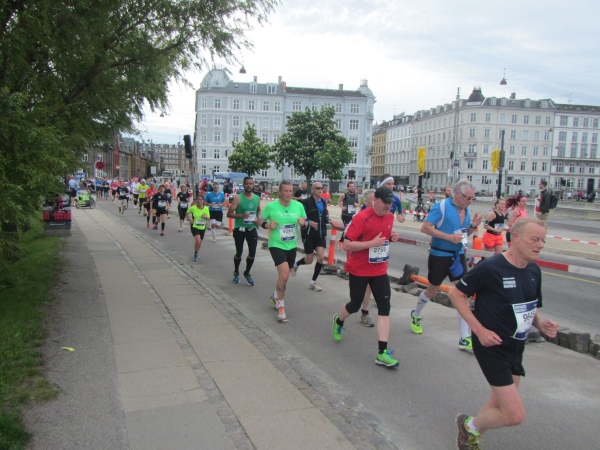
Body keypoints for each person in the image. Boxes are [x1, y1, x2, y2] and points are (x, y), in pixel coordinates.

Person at [448, 217, 558, 450]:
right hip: (491, 346)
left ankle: (470, 437)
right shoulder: (491, 268)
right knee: (514, 414)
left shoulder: (533, 270)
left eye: (543, 240)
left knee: (499, 400)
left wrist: (540, 322)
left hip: (515, 346)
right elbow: (455, 294)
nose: (540, 245)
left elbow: (529, 304)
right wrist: (479, 330)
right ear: (516, 238)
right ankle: (468, 425)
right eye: (535, 239)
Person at [331, 186, 401, 368]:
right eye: (385, 202)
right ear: (375, 201)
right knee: (355, 304)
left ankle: (382, 353)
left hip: (379, 270)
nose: (388, 206)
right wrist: (371, 243)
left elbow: (383, 238)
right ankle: (339, 320)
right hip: (360, 269)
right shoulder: (362, 218)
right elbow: (346, 244)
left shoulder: (390, 217)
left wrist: (391, 237)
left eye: (390, 203)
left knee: (385, 307)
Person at [410, 179, 483, 350]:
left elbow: (463, 234)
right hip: (440, 255)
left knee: (462, 294)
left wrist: (472, 226)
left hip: (458, 256)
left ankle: (464, 337)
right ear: (457, 194)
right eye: (468, 198)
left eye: (473, 198)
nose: (470, 201)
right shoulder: (441, 207)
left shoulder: (466, 209)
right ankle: (416, 314)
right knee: (432, 291)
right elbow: (425, 228)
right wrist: (449, 237)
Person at [256, 181, 308, 322]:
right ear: (280, 192)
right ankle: (281, 308)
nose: (289, 193)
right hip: (276, 244)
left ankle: (275, 295)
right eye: (286, 191)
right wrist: (268, 225)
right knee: (284, 275)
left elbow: (305, 222)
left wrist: (303, 224)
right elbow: (259, 221)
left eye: (291, 191)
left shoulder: (298, 206)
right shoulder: (271, 206)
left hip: (291, 245)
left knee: (284, 277)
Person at [291, 182, 332, 292]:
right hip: (309, 234)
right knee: (309, 260)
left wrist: (328, 220)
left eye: (321, 188)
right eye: (317, 188)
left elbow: (325, 214)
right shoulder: (306, 202)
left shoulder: (323, 201)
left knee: (321, 257)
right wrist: (309, 222)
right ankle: (296, 264)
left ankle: (313, 281)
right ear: (312, 189)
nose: (320, 190)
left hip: (320, 233)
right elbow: (300, 217)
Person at [227, 176, 261, 286]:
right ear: (244, 185)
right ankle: (236, 272)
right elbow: (229, 213)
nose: (249, 185)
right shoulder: (238, 198)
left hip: (252, 229)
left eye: (250, 184)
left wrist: (258, 218)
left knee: (252, 253)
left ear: (253, 185)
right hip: (240, 229)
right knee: (239, 252)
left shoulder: (257, 198)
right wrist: (242, 215)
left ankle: (247, 273)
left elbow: (258, 209)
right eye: (247, 184)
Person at [186, 194, 210, 262]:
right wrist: (190, 219)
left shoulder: (206, 208)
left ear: (203, 201)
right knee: (198, 240)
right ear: (196, 201)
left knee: (199, 243)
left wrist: (205, 217)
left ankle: (196, 252)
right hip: (194, 226)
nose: (199, 201)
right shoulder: (193, 208)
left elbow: (208, 218)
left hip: (202, 227)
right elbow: (187, 213)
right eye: (198, 199)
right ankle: (195, 255)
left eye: (200, 199)